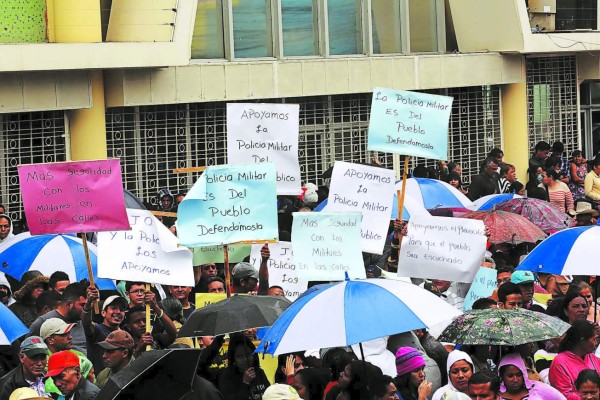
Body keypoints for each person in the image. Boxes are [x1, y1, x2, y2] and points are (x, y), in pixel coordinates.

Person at [29, 282, 88, 354]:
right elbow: (29, 350)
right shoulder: (42, 322)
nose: (86, 308)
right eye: (83, 305)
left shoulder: (84, 320)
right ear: (69, 304)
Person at [549, 320, 600, 399]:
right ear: (582, 341)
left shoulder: (592, 358)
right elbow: (563, 395)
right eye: (594, 339)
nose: (596, 343)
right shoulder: (559, 362)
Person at [83, 288, 128, 373]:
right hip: (100, 382)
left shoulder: (125, 335)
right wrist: (88, 303)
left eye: (122, 309)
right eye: (114, 308)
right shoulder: (97, 330)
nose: (118, 311)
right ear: (103, 313)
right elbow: (86, 324)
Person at [217, 335, 270, 400]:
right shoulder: (226, 376)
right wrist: (245, 383)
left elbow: (270, 394)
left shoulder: (259, 372)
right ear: (233, 358)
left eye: (248, 354)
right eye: (240, 356)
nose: (245, 359)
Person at [497, 353, 565, 399]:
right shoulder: (494, 394)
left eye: (518, 375)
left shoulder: (538, 388)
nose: (515, 380)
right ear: (502, 376)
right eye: (510, 376)